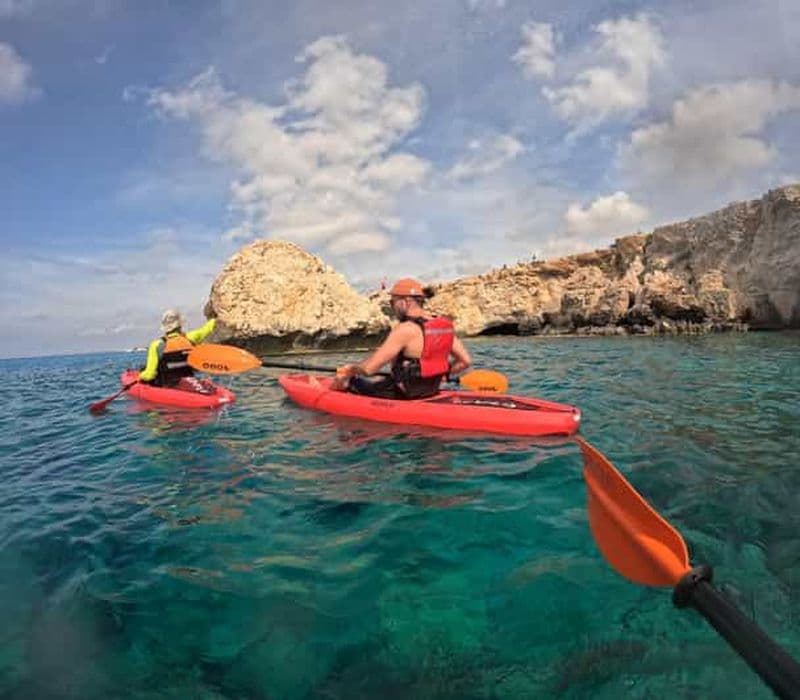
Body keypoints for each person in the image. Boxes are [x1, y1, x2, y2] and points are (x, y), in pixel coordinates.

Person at [332, 278, 471, 399]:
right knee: (380, 380)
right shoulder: (442, 325)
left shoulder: (405, 329)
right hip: (431, 390)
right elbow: (465, 361)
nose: (392, 307)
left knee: (347, 380)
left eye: (393, 302)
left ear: (406, 301)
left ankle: (330, 391)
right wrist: (441, 375)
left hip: (403, 394)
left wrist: (350, 369)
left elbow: (369, 369)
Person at [138, 309, 217, 391]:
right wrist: (215, 318)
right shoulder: (190, 338)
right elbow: (206, 329)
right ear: (180, 325)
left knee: (144, 370)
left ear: (165, 328)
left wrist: (140, 376)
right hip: (190, 382)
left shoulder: (156, 345)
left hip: (168, 386)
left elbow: (150, 375)